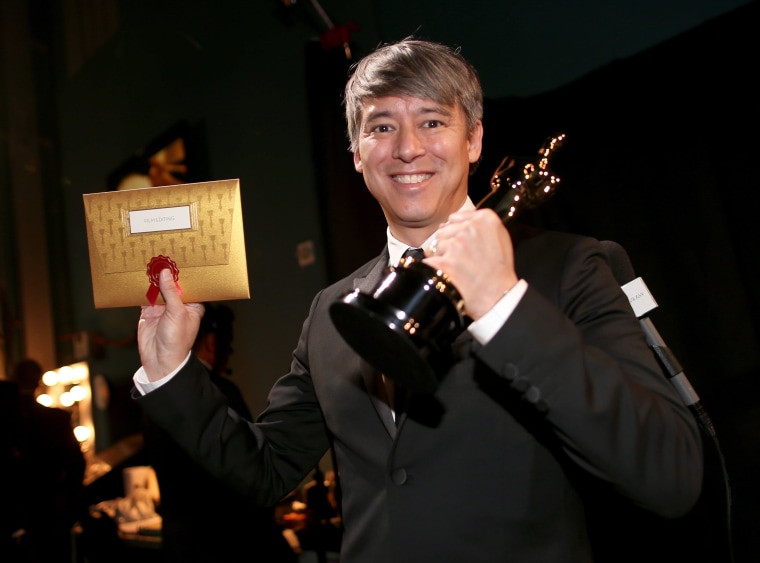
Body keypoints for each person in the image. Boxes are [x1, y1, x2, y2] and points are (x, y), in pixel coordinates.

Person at [132, 37, 703, 562]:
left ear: (474, 139)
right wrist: (171, 370)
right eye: (381, 128)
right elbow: (265, 470)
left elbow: (670, 477)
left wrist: (504, 307)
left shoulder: (570, 268)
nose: (407, 149)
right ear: (357, 152)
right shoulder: (332, 312)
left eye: (432, 121)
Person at [141, 303, 297, 563]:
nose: (230, 353)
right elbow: (249, 471)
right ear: (212, 342)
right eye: (229, 344)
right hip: (228, 543)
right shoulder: (221, 393)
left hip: (180, 543)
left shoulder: (153, 399)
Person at [9, 358, 86, 563]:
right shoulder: (55, 418)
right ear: (38, 383)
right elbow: (77, 464)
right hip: (51, 508)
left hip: (16, 511)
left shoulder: (10, 419)